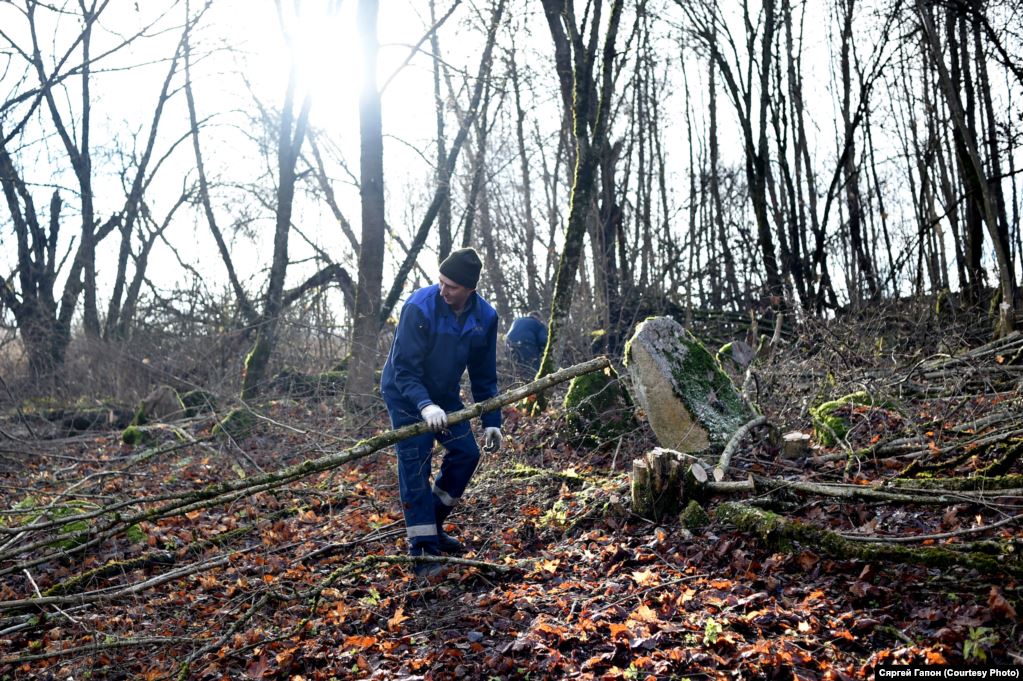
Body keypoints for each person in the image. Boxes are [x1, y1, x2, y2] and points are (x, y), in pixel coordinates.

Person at [380, 247, 502, 578]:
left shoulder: (485, 318)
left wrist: (492, 421)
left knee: (466, 453)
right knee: (416, 464)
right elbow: (403, 369)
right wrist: (424, 405)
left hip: (445, 395)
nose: (443, 290)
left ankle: (430, 525)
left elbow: (483, 374)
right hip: (406, 396)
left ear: (470, 289)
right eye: (441, 282)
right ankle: (422, 552)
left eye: (452, 286)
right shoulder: (419, 307)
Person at [505, 311, 548, 380]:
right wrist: (543, 351)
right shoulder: (538, 324)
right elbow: (543, 340)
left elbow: (508, 336)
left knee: (517, 370)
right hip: (527, 345)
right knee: (532, 370)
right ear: (538, 318)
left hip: (510, 347)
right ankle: (534, 387)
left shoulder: (516, 321)